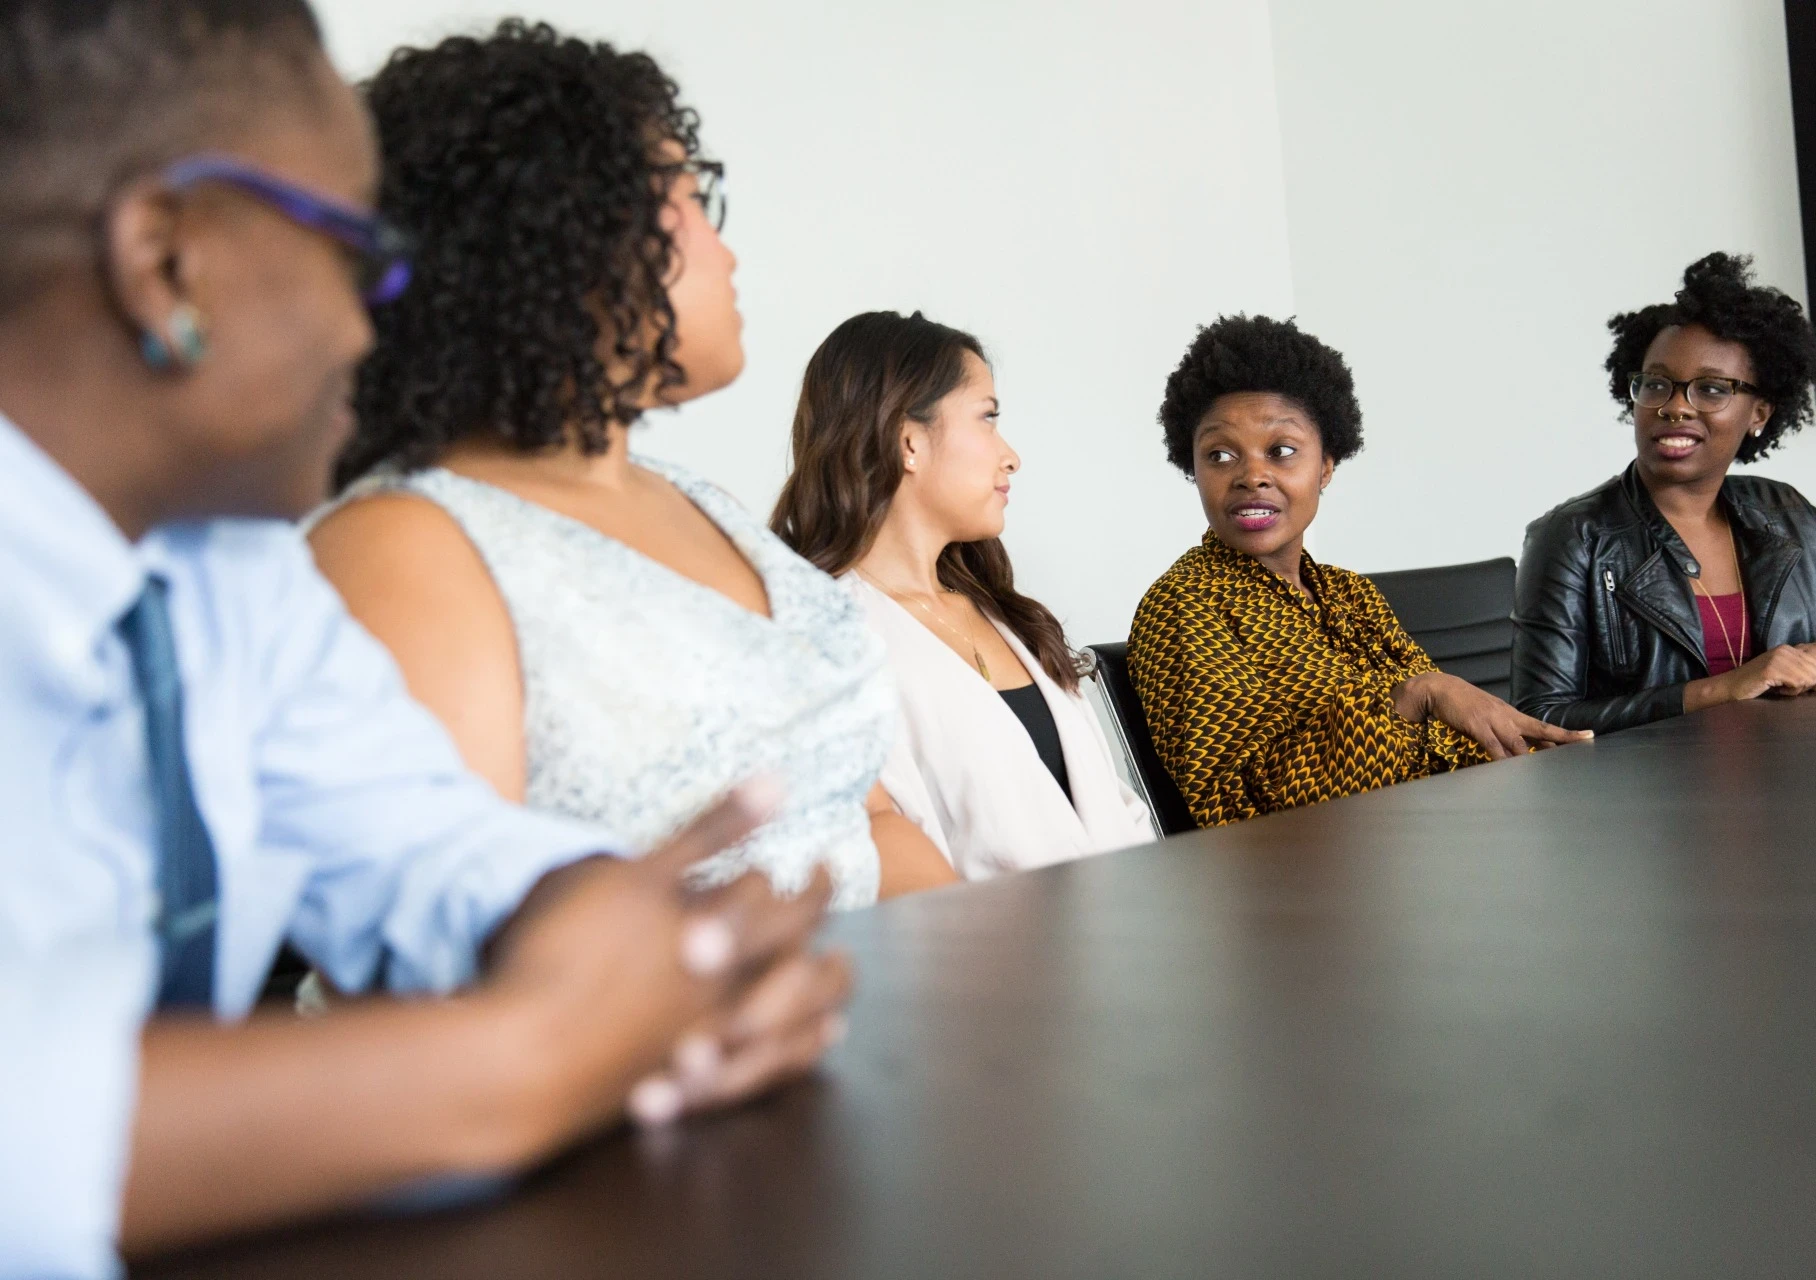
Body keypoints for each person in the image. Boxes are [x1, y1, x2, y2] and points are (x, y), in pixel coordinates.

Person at [0, 4, 848, 1274]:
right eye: (356, 248)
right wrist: (534, 1054)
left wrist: (646, 950)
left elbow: (431, 847)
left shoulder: (228, 574)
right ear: (164, 263)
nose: (375, 320)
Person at [308, 22, 955, 909]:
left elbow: (866, 821)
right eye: (692, 196)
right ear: (564, 226)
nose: (724, 249)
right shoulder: (404, 546)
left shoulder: (705, 505)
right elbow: (448, 975)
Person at [1128, 314, 1589, 828]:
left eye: (1281, 452)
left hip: (1429, 837)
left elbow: (1446, 732)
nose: (1251, 475)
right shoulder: (1184, 606)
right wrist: (1412, 696)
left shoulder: (1351, 594)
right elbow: (1237, 807)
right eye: (1220, 455)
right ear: (1194, 470)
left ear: (1326, 466)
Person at [772, 312, 1156, 877]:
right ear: (908, 441)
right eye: (988, 417)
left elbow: (1116, 811)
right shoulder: (827, 639)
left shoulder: (1007, 615)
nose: (1010, 456)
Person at [1511, 253, 1816, 733]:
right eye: (1657, 384)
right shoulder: (1574, 537)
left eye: (1710, 390)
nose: (1676, 407)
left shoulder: (1784, 515)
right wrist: (1718, 691)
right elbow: (1537, 720)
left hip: (1796, 777)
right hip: (1649, 798)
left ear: (1760, 413)